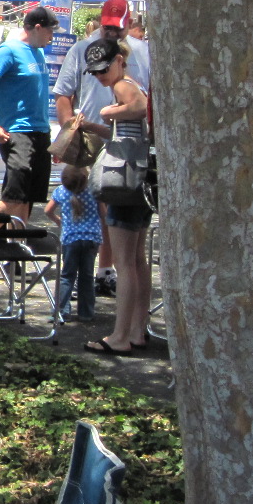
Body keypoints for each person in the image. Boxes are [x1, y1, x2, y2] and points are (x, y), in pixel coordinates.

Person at [53, 0, 150, 294]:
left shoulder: (142, 53)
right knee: (87, 206)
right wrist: (70, 133)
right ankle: (88, 268)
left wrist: (114, 113)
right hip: (93, 138)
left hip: (128, 147)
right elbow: (63, 94)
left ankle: (107, 273)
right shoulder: (83, 49)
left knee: (119, 220)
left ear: (128, 24)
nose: (112, 32)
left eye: (118, 28)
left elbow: (142, 103)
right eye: (107, 26)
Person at [79, 39, 152, 356]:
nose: (100, 77)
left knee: (124, 262)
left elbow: (138, 108)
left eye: (103, 69)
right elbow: (128, 129)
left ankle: (120, 336)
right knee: (136, 260)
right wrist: (97, 124)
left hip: (124, 180)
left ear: (119, 61)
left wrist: (109, 111)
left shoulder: (124, 84)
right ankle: (137, 330)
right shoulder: (128, 83)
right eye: (94, 73)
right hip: (139, 178)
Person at [0, 4, 57, 225]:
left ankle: (16, 251)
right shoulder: (8, 51)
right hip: (18, 132)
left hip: (40, 131)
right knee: (13, 197)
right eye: (50, 31)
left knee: (27, 198)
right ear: (37, 28)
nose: (52, 37)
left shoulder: (38, 52)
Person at [44, 162, 100, 323]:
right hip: (91, 238)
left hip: (70, 238)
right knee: (87, 276)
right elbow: (103, 213)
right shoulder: (94, 192)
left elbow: (48, 210)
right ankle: (86, 312)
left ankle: (61, 311)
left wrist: (58, 220)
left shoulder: (61, 192)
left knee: (67, 276)